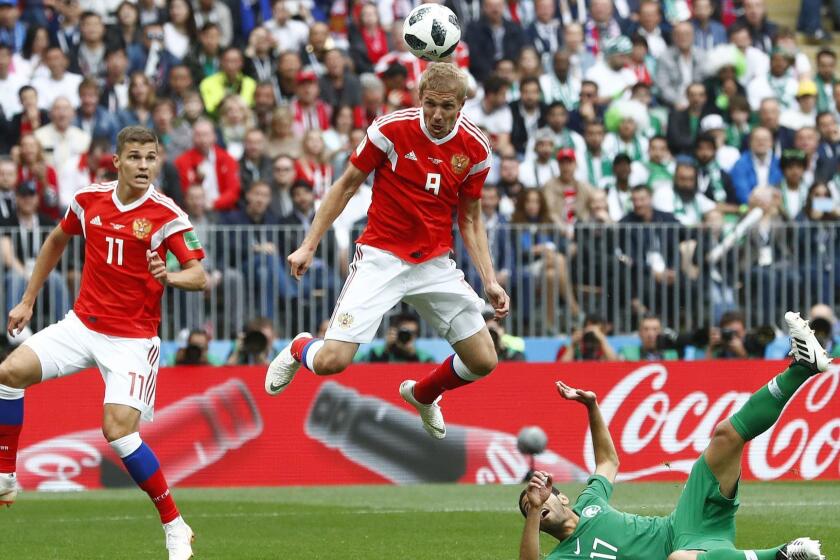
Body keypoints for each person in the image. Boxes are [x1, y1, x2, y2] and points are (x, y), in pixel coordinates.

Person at [265, 63, 510, 440]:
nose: (437, 115)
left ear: (462, 106)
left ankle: (423, 394)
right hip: (381, 257)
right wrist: (307, 245)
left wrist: (489, 280)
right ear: (419, 98)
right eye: (430, 104)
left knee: (483, 360)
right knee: (332, 362)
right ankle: (300, 347)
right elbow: (345, 186)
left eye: (447, 107)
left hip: (434, 263)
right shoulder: (390, 130)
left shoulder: (475, 149)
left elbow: (471, 218)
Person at [0, 126, 204, 559]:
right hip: (82, 326)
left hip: (132, 340)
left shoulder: (167, 215)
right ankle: (4, 475)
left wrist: (170, 275)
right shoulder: (89, 199)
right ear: (117, 162)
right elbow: (57, 239)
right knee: (8, 373)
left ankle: (175, 525)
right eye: (134, 157)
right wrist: (28, 300)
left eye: (151, 157)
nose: (143, 166)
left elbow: (199, 276)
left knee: (117, 431)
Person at [518, 311, 829, 560]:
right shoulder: (564, 557)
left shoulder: (588, 504)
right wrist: (533, 509)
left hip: (683, 524)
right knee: (680, 559)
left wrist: (592, 405)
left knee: (725, 436)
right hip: (686, 553)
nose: (536, 500)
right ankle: (781, 555)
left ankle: (802, 368)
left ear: (562, 496)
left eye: (540, 494)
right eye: (529, 506)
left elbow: (608, 461)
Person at [361, 313, 436, 363]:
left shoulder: (425, 358)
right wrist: (387, 350)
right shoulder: (375, 353)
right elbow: (370, 372)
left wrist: (412, 355)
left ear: (416, 335)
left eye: (412, 333)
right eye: (404, 332)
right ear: (395, 331)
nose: (406, 336)